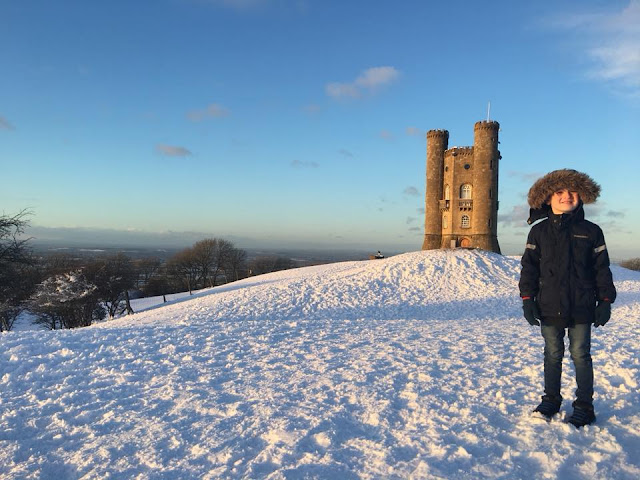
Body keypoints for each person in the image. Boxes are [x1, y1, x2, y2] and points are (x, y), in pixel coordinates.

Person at [519, 169, 616, 427]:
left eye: (572, 192)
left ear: (581, 197)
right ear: (548, 198)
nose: (567, 196)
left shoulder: (592, 231)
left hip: (582, 306)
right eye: (560, 192)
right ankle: (551, 399)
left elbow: (601, 269)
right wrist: (528, 299)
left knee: (580, 354)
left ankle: (584, 405)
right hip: (549, 305)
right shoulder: (538, 233)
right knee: (552, 353)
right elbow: (529, 267)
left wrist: (605, 301)